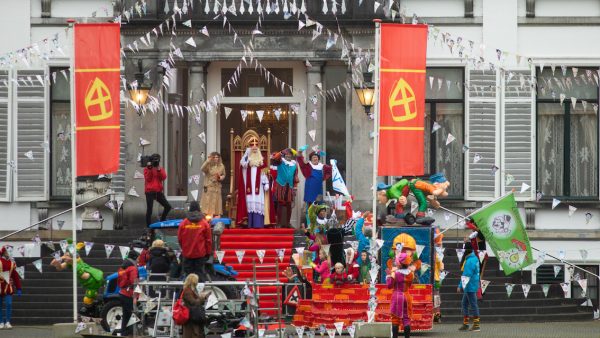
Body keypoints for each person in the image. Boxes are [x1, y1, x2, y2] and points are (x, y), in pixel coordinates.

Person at [50, 242, 104, 316]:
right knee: (89, 299)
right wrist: (57, 264)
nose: (65, 256)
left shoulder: (76, 262)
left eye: (67, 255)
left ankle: (93, 310)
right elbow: (60, 267)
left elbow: (79, 270)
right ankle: (95, 308)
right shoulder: (70, 261)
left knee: (87, 299)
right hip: (87, 283)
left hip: (93, 280)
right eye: (65, 254)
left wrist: (62, 258)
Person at [236, 137, 270, 228]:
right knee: (249, 202)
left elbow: (265, 173)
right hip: (249, 186)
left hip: (259, 187)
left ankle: (259, 223)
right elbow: (243, 164)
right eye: (252, 147)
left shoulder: (262, 161)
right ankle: (249, 223)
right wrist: (247, 155)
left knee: (259, 201)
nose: (254, 148)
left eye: (256, 147)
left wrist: (266, 183)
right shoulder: (247, 160)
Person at [297, 147, 332, 225]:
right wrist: (299, 154)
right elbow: (301, 163)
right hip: (309, 189)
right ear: (311, 159)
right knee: (310, 207)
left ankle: (318, 224)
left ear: (318, 158)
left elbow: (330, 170)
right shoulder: (308, 166)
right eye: (313, 157)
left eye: (316, 157)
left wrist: (333, 164)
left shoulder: (323, 166)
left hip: (318, 190)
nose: (315, 158)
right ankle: (310, 224)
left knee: (319, 207)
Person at [178, 202, 212, 278]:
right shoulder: (204, 223)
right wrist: (208, 253)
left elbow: (180, 239)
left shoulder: (183, 223)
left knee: (188, 278)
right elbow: (208, 240)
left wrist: (184, 249)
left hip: (187, 255)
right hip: (200, 255)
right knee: (200, 277)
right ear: (199, 209)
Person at [387, 252, 415, 338]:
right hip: (406, 296)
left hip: (397, 297)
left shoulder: (395, 273)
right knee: (406, 319)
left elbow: (389, 285)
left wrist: (389, 274)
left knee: (395, 319)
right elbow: (410, 285)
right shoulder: (411, 274)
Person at [270, 148, 299, 228]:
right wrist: (281, 152)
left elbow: (295, 177)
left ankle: (287, 223)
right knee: (280, 203)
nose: (288, 155)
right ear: (285, 155)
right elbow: (274, 158)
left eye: (290, 154)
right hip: (280, 185)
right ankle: (279, 223)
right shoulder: (280, 162)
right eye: (287, 154)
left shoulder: (294, 165)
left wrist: (295, 188)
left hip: (290, 186)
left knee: (289, 205)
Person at [457, 241, 481, 332]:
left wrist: (460, 286)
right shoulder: (474, 258)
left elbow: (466, 275)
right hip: (471, 285)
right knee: (465, 304)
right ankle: (466, 324)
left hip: (470, 285)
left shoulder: (470, 261)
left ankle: (476, 325)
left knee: (473, 305)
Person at [116, 250, 140, 337]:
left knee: (126, 315)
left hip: (122, 292)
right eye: (138, 258)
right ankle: (131, 333)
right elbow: (134, 281)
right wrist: (136, 296)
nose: (138, 260)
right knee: (132, 315)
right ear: (134, 258)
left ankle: (123, 333)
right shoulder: (133, 268)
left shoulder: (123, 267)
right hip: (129, 294)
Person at [144, 153, 172, 226]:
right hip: (149, 192)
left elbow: (163, 177)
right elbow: (148, 179)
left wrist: (158, 169)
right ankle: (148, 226)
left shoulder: (160, 168)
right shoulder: (147, 169)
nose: (155, 162)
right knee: (149, 210)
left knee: (168, 207)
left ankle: (162, 220)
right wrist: (150, 168)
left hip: (158, 191)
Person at [182, 273, 209, 338]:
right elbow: (194, 302)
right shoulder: (188, 291)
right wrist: (202, 297)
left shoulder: (191, 290)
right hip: (191, 316)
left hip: (193, 315)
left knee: (195, 333)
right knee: (192, 333)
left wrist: (204, 297)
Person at [0, 246, 21, 329]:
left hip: (8, 286)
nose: (9, 252)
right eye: (8, 251)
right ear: (4, 252)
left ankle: (8, 322)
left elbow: (15, 276)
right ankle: (1, 322)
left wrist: (19, 287)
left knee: (9, 303)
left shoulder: (12, 263)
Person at [200, 152, 226, 218]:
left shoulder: (221, 166)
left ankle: (217, 214)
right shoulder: (208, 165)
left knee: (217, 201)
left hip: (217, 186)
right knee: (208, 201)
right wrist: (207, 161)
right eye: (214, 157)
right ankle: (208, 215)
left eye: (217, 157)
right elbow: (202, 169)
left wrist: (221, 177)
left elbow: (224, 174)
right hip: (209, 186)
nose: (216, 159)